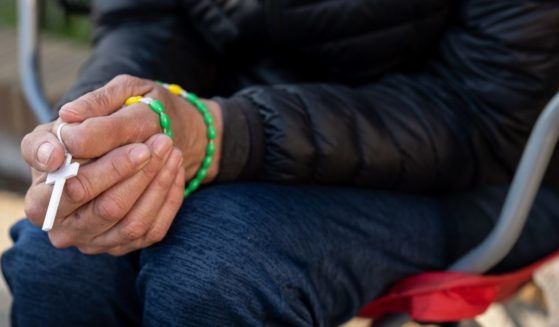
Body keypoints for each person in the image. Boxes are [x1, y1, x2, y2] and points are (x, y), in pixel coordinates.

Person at [3, 0, 559, 325]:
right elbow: (148, 21)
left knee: (215, 271)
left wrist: (224, 133)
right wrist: (106, 124)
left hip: (489, 171)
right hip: (230, 127)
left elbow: (481, 113)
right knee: (61, 257)